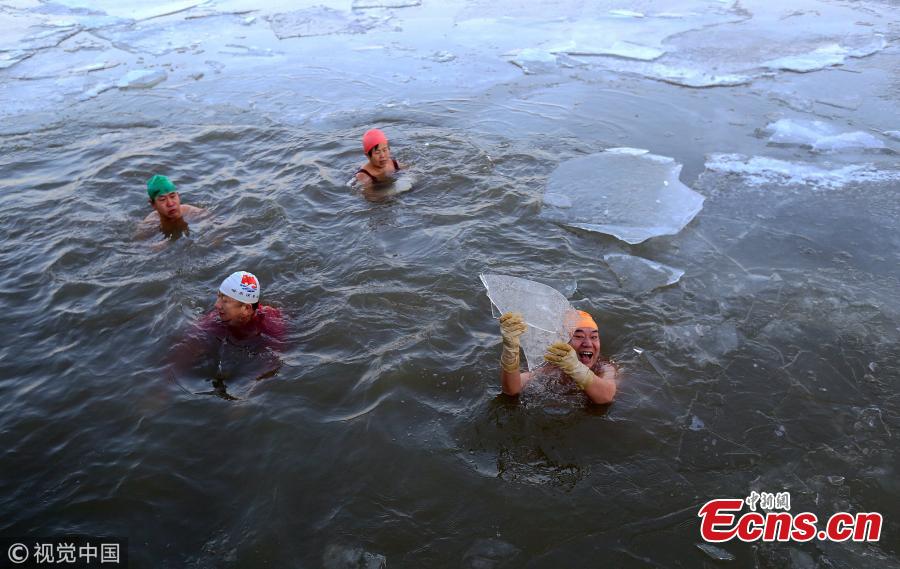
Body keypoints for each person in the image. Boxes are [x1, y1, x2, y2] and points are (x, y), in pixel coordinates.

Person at [498, 310, 617, 404]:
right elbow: (512, 390)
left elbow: (606, 397)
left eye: (594, 337)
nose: (588, 344)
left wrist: (576, 368)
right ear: (564, 341)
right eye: (579, 336)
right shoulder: (552, 366)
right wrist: (510, 350)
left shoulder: (603, 367)